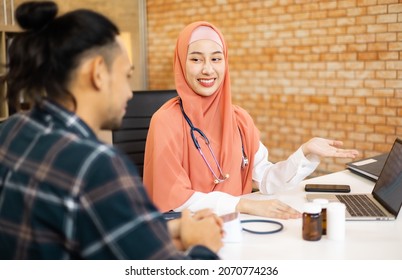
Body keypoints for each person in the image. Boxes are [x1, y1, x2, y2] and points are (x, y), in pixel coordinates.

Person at [0, 2, 223, 260]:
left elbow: (73, 229)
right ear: (97, 73)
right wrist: (203, 245)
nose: (129, 93)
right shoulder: (96, 166)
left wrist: (159, 228)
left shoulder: (13, 130)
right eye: (126, 76)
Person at [143, 21, 359, 219]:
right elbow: (175, 197)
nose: (208, 69)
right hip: (190, 235)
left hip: (239, 228)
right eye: (196, 59)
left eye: (216, 59)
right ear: (181, 63)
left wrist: (305, 152)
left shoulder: (239, 120)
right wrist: (242, 204)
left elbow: (265, 178)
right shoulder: (165, 121)